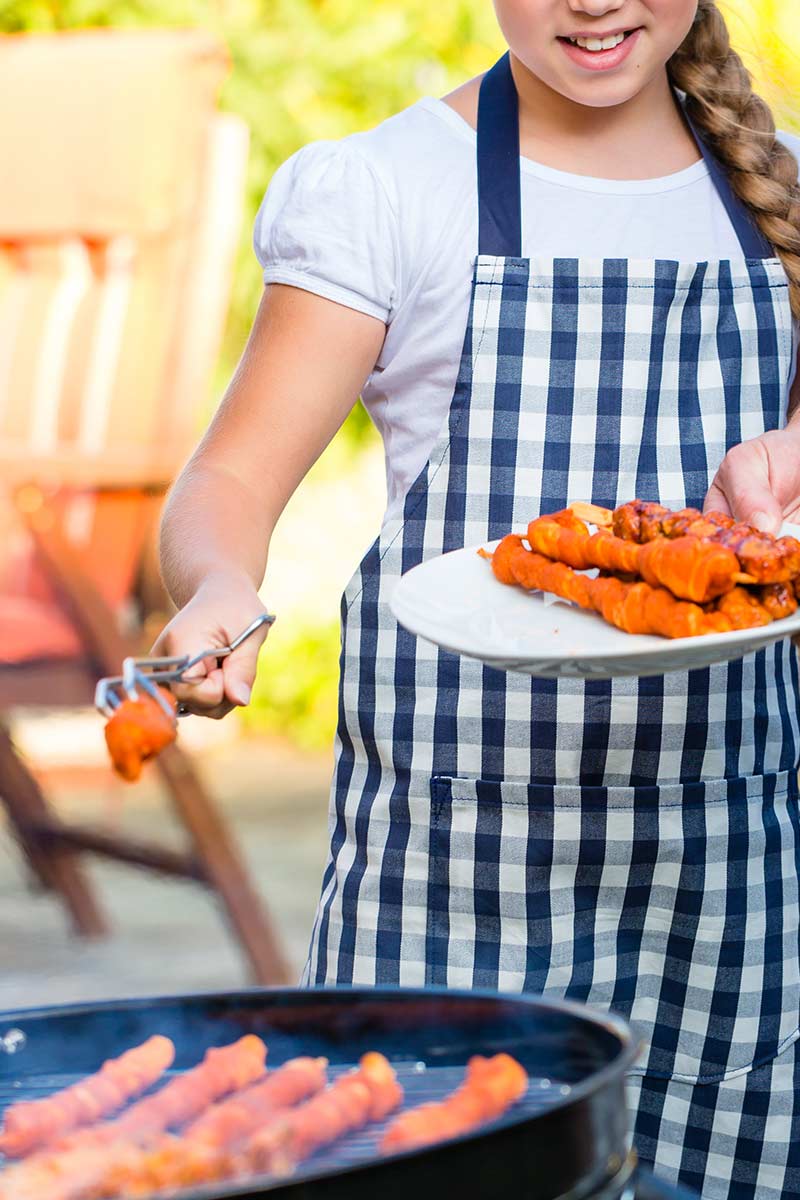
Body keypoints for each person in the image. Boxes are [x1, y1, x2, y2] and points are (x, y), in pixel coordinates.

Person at [156, 1, 800, 1195]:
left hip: (731, 868)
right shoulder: (390, 188)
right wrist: (219, 585)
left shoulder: (780, 195)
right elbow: (229, 476)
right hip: (454, 858)